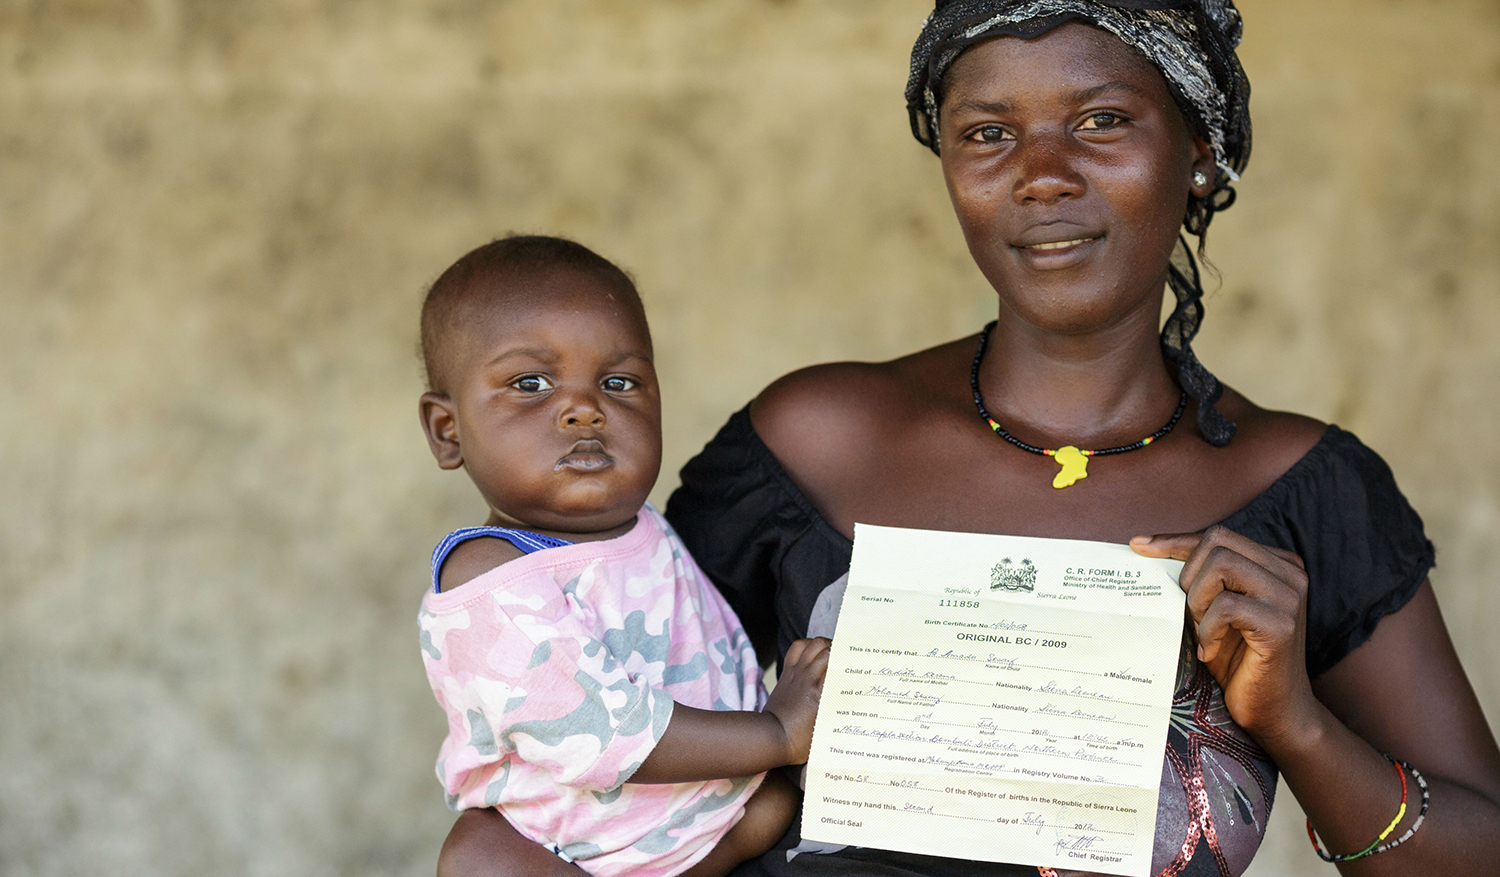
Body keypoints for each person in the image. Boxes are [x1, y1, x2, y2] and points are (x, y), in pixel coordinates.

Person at [436, 3, 1500, 875]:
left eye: (1100, 121)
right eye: (988, 132)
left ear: (1201, 159)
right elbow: (559, 718)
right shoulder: (818, 440)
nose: (1041, 171)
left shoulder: (1304, 489)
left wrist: (1300, 725)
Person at [416, 235, 831, 877]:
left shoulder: (642, 529)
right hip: (570, 850)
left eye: (619, 382)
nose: (585, 409)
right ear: (449, 432)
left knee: (777, 804)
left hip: (710, 822)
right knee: (480, 861)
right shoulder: (488, 578)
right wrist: (777, 732)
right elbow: (602, 734)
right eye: (531, 383)